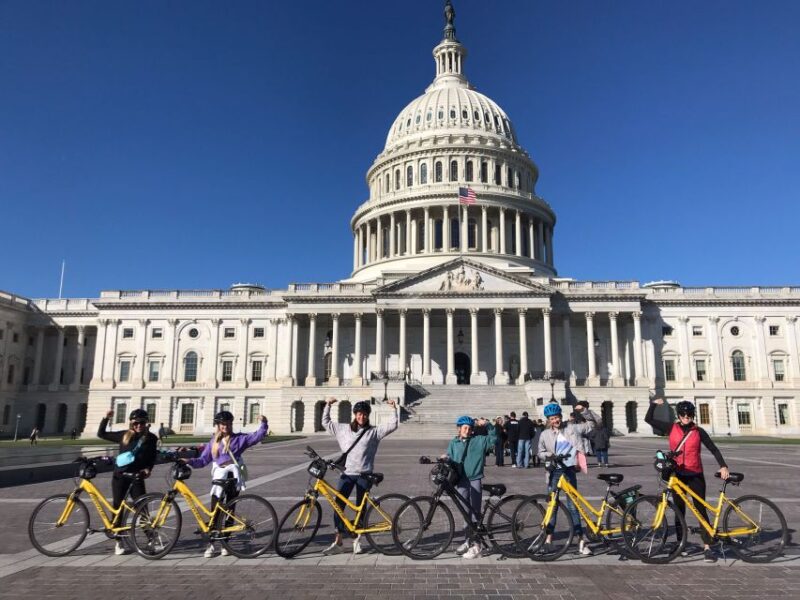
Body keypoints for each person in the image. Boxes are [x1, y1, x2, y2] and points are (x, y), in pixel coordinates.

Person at [645, 398, 730, 563]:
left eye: (689, 414)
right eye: (683, 414)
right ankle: (680, 544)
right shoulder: (671, 427)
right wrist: (654, 404)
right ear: (679, 415)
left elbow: (713, 448)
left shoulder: (699, 431)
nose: (686, 417)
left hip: (695, 474)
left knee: (700, 509)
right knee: (679, 510)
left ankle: (707, 546)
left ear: (693, 415)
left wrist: (723, 466)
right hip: (678, 475)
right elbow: (648, 420)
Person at [183, 410, 269, 558]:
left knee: (229, 511)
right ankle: (211, 544)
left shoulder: (239, 439)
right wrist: (189, 461)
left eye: (228, 424)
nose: (226, 426)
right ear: (218, 425)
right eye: (223, 424)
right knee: (215, 512)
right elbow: (203, 460)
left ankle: (226, 544)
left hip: (232, 479)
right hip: (218, 479)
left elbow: (256, 436)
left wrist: (264, 423)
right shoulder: (213, 442)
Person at [322, 397, 398, 555]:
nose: (361, 417)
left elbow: (392, 425)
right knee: (338, 507)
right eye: (358, 414)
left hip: (364, 475)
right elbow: (326, 423)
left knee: (361, 509)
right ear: (354, 415)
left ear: (367, 416)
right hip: (347, 474)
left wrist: (394, 409)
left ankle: (358, 541)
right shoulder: (343, 429)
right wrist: (328, 405)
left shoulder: (373, 432)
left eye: (364, 414)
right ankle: (338, 541)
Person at [538, 403, 595, 556]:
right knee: (552, 506)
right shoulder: (545, 434)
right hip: (554, 472)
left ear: (560, 417)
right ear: (548, 420)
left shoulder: (572, 428)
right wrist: (550, 456)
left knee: (573, 506)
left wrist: (584, 411)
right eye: (551, 418)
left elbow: (592, 424)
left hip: (569, 470)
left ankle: (581, 541)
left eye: (556, 417)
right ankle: (548, 540)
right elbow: (540, 452)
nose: (555, 420)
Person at [98, 409, 158, 555]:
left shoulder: (151, 438)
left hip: (136, 476)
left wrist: (148, 469)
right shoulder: (124, 435)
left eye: (142, 422)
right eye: (136, 422)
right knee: (118, 506)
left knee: (142, 507)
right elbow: (101, 434)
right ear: (131, 423)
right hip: (120, 475)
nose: (139, 425)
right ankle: (118, 541)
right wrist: (106, 418)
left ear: (146, 423)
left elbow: (152, 457)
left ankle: (151, 538)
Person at [446, 415, 496, 559]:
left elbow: (494, 439)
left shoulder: (479, 440)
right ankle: (468, 541)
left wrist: (488, 425)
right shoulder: (454, 442)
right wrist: (445, 458)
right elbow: (450, 456)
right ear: (459, 429)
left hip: (474, 479)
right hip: (461, 481)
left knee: (475, 513)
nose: (467, 431)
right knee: (464, 513)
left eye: (469, 428)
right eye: (465, 428)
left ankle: (477, 545)